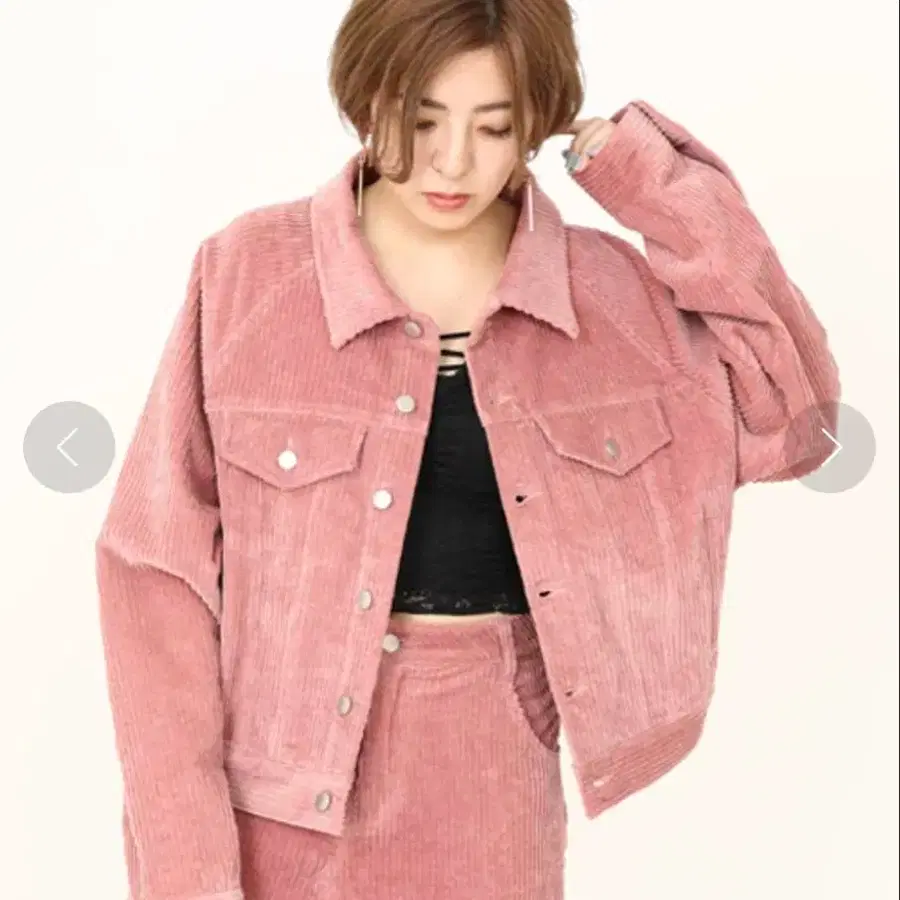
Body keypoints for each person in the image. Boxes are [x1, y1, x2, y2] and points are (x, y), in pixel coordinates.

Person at [94, 1, 841, 898]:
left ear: (536, 123)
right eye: (420, 120)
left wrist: (645, 177)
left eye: (493, 127)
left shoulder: (611, 297)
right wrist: (186, 868)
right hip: (273, 799)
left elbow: (795, 417)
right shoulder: (248, 272)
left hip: (490, 777)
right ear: (365, 97)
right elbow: (153, 571)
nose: (452, 162)